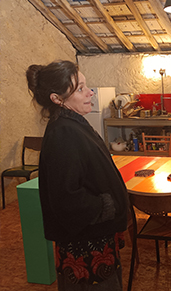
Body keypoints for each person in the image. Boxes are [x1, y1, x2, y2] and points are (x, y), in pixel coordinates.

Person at [27, 60, 129, 290]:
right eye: (80, 89)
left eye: (86, 86)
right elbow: (66, 198)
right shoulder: (63, 132)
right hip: (86, 247)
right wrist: (108, 204)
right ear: (57, 99)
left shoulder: (73, 124)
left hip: (96, 238)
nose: (90, 92)